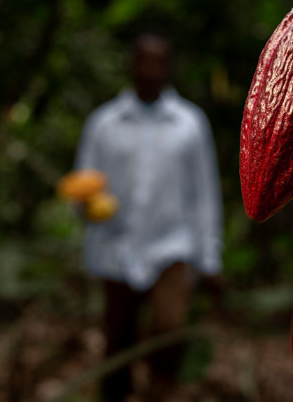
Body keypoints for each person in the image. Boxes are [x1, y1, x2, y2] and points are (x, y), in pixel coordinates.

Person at [74, 33, 223, 401]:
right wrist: (86, 206)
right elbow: (83, 183)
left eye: (160, 61)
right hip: (115, 247)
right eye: (145, 60)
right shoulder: (104, 123)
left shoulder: (189, 123)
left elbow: (204, 193)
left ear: (169, 68)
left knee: (168, 333)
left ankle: (160, 392)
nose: (152, 69)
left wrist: (209, 257)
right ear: (133, 64)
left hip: (172, 247)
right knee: (119, 341)